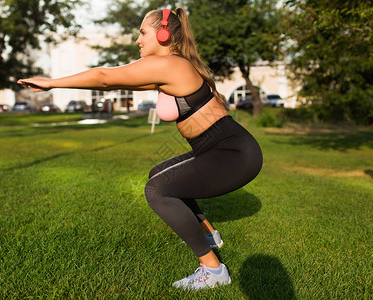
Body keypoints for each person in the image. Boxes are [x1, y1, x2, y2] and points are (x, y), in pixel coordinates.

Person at [18, 8, 262, 290]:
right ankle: (209, 236)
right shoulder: (169, 67)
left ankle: (214, 270)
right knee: (158, 174)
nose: (137, 39)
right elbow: (115, 81)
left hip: (233, 153)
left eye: (143, 32)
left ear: (163, 34)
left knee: (158, 190)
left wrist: (51, 83)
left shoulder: (171, 64)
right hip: (218, 149)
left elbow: (104, 77)